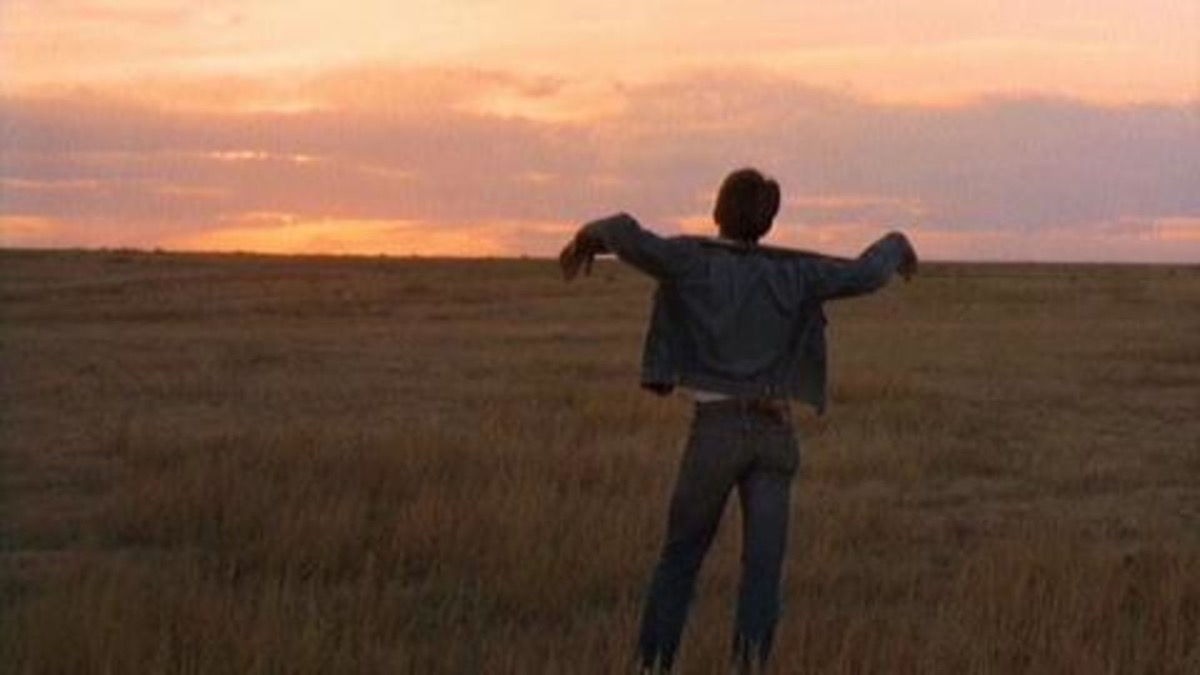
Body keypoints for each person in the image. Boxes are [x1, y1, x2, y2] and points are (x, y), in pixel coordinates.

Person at [559, 168, 918, 674]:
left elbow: (623, 230)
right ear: (768, 222)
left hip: (717, 430)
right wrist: (897, 244)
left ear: (717, 212)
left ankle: (653, 666)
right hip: (775, 431)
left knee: (680, 561)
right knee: (763, 573)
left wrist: (586, 238)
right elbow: (864, 273)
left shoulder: (690, 260)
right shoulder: (797, 272)